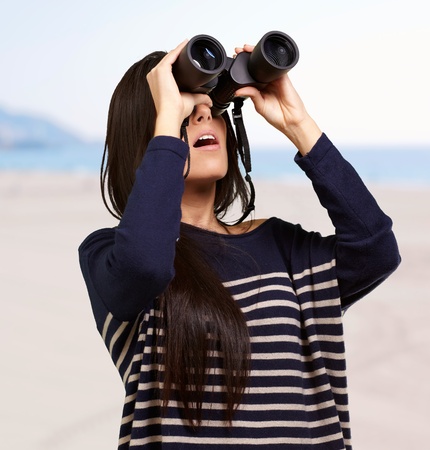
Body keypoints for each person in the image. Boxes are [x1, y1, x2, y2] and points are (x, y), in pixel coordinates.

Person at [78, 39, 400, 450]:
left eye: (212, 104)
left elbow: (376, 249)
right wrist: (166, 125)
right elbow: (145, 265)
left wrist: (298, 124)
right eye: (183, 106)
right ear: (149, 132)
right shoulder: (109, 255)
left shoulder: (282, 246)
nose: (202, 112)